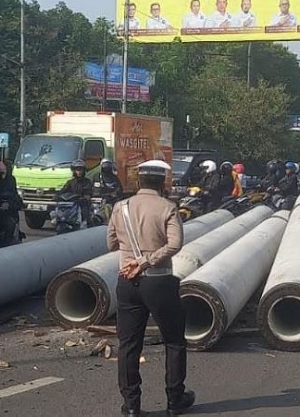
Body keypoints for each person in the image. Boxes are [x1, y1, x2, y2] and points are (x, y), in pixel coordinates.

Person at [107, 160, 194, 417]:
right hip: (159, 281)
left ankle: (132, 405)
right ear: (163, 183)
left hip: (127, 282)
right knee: (174, 341)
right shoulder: (168, 207)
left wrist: (132, 255)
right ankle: (175, 400)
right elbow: (176, 244)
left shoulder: (120, 208)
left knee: (129, 344)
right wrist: (147, 260)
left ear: (138, 181)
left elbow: (111, 243)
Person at [60, 159, 94, 227]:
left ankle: (85, 222)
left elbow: (88, 191)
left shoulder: (87, 181)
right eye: (77, 170)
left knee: (85, 211)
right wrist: (57, 195)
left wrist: (86, 195)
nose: (79, 172)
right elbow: (64, 190)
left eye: (81, 169)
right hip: (71, 204)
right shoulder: (70, 182)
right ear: (74, 171)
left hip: (83, 204)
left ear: (84, 170)